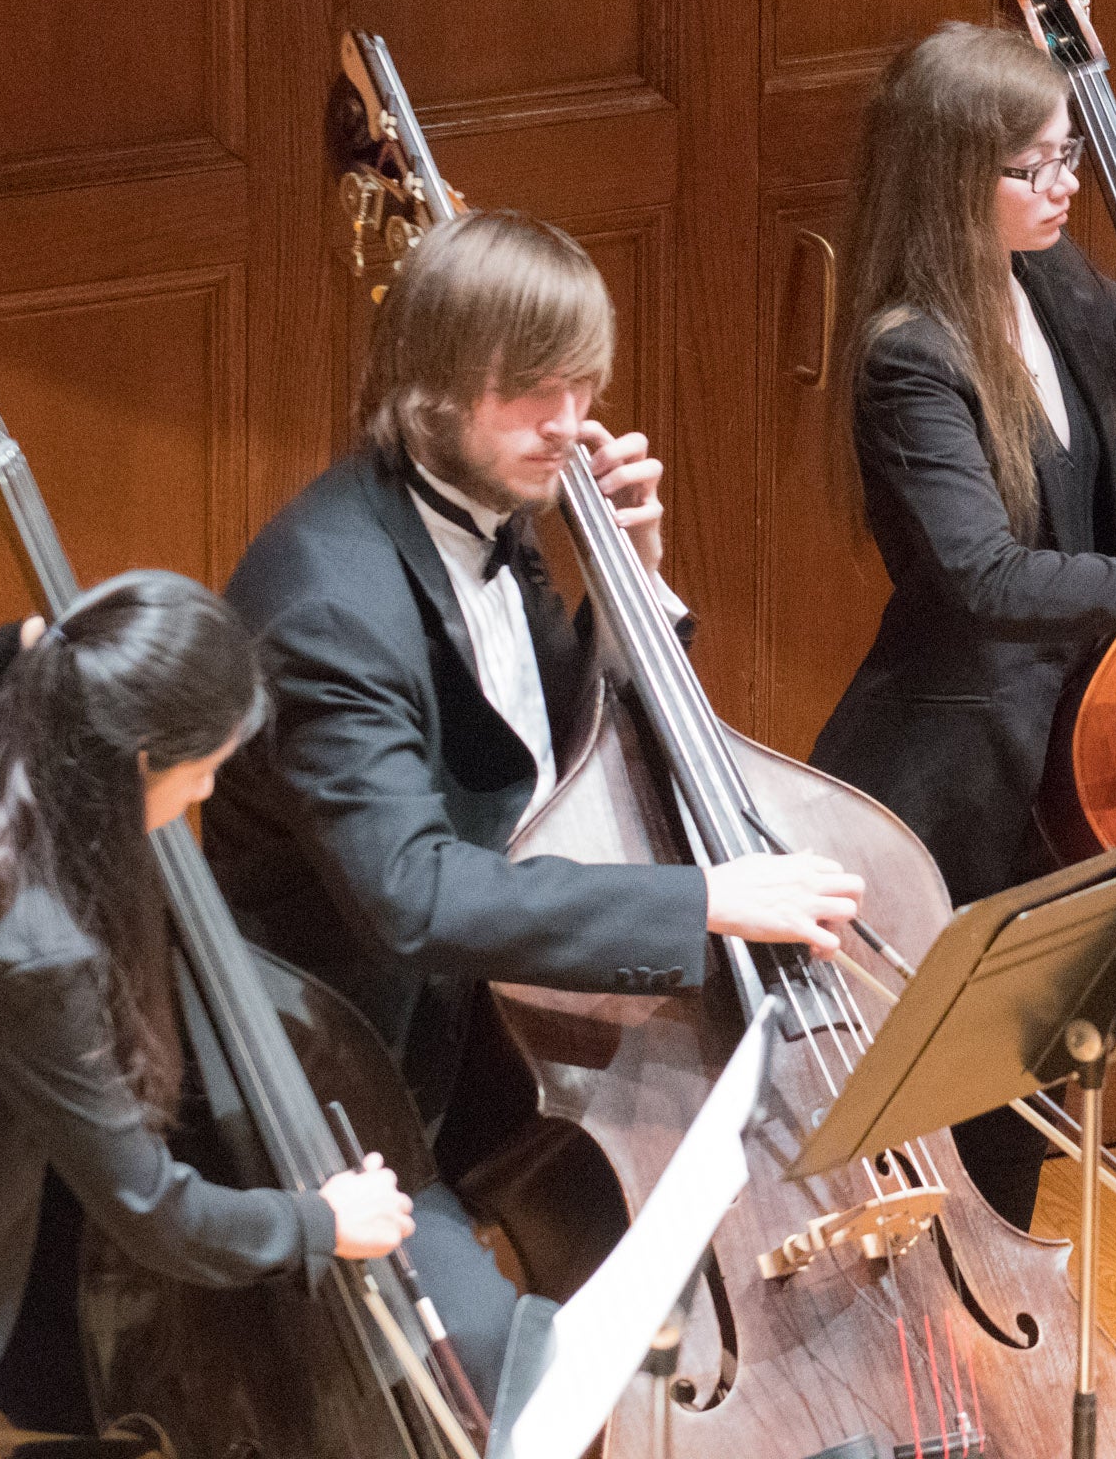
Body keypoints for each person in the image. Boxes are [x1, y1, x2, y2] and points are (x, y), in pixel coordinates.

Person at [203, 208, 865, 1398]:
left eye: (583, 385)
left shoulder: (493, 512)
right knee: (510, 1381)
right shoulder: (327, 606)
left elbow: (538, 759)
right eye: (530, 393)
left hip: (488, 1026)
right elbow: (411, 892)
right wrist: (705, 895)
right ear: (428, 389)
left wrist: (636, 579)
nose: (569, 423)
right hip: (353, 1083)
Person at [809, 19, 1116, 1227]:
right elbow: (992, 578)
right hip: (947, 790)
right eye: (1033, 167)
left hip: (1058, 769)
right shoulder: (908, 358)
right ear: (951, 175)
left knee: (1020, 1110)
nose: (1066, 183)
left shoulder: (1051, 279)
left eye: (1067, 154)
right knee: (946, 1141)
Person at [0, 572, 414, 1384]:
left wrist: (45, 650)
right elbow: (149, 1207)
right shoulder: (35, 957)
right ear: (134, 762)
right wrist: (321, 1221)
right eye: (202, 772)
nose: (203, 794)